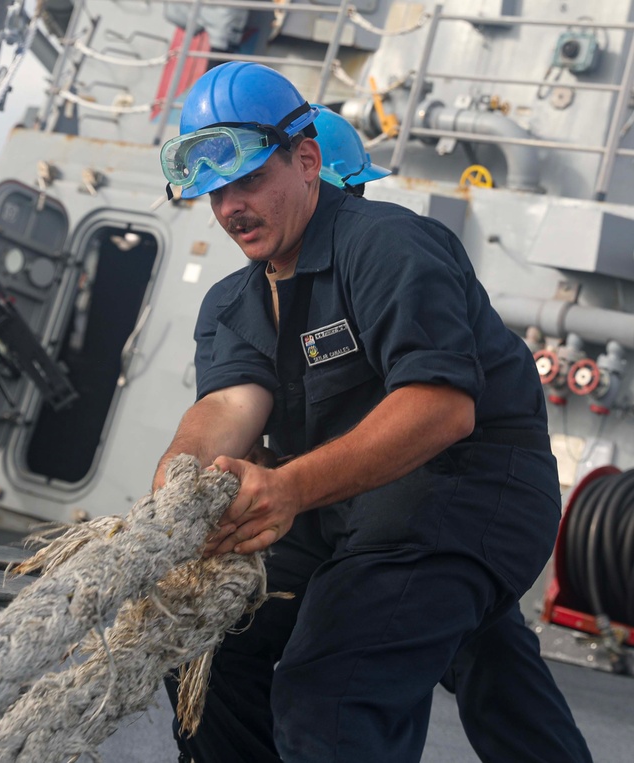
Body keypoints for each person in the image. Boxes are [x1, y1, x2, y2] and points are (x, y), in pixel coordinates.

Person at [154, 62, 592, 763]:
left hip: (469, 486)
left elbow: (442, 410)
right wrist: (175, 489)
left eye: (248, 179)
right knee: (211, 632)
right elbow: (229, 405)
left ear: (307, 162)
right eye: (214, 190)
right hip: (351, 501)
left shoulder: (386, 244)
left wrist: (288, 487)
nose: (231, 205)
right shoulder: (235, 303)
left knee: (334, 687)